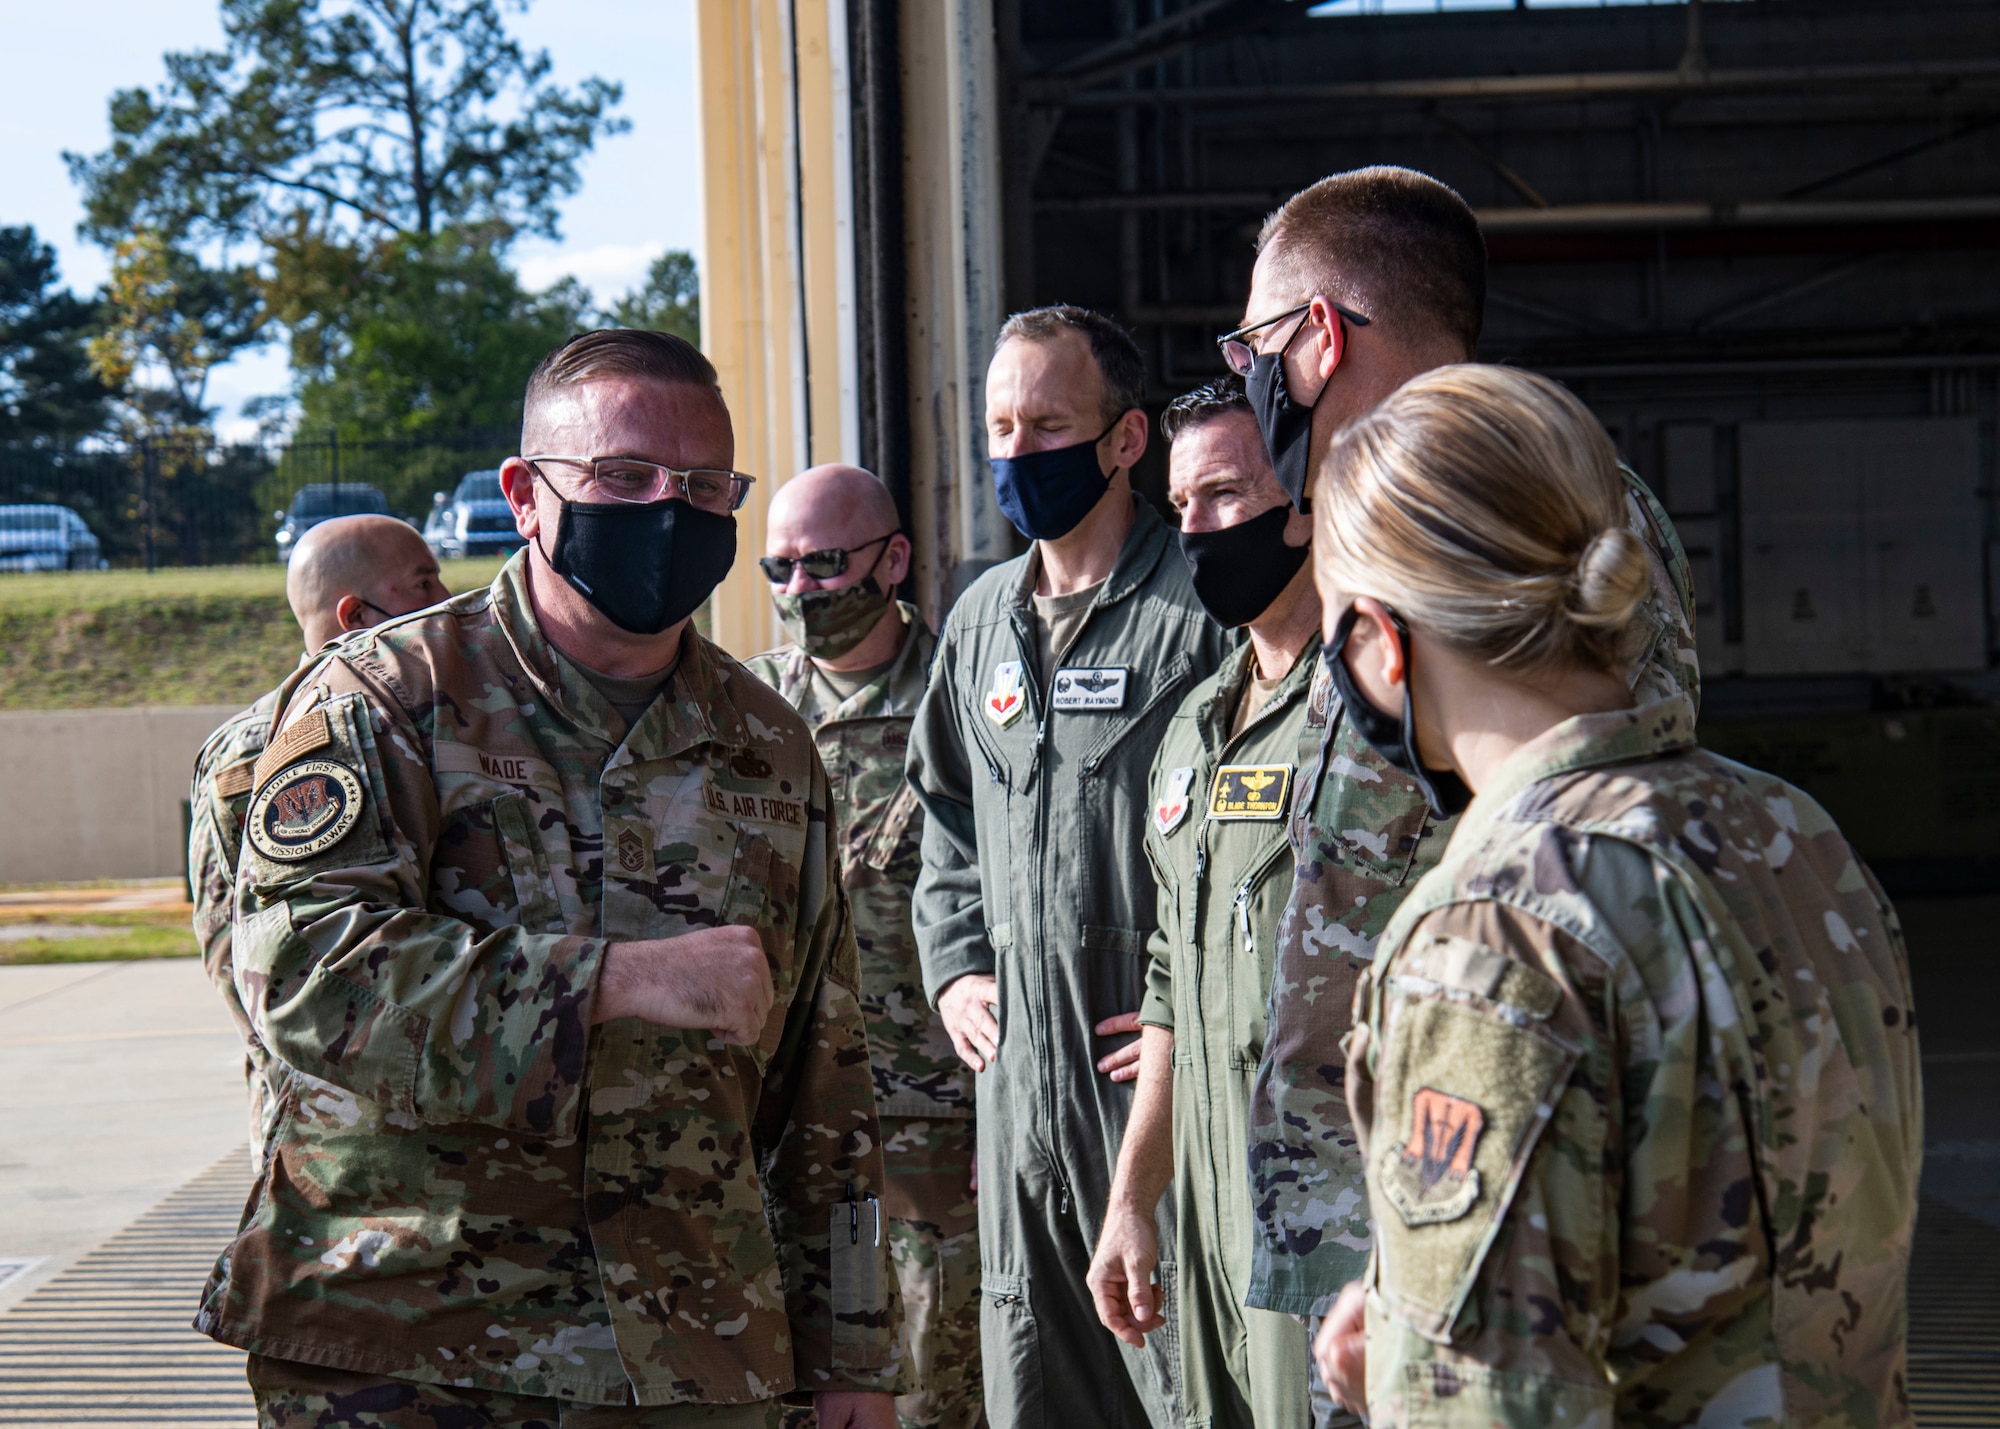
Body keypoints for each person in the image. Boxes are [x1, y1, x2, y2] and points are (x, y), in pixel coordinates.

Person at [194, 329, 901, 1429]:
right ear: (524, 495)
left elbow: (827, 1082)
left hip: (693, 1355)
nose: (668, 511)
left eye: (703, 486)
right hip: (414, 1351)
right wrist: (610, 981)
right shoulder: (385, 700)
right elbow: (301, 972)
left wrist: (852, 1346)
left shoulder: (767, 743)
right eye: (622, 478)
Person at [1305, 364, 1920, 1427]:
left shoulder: (1494, 928)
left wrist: (1406, 1380)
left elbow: (1490, 1407)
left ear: (1382, 637)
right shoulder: (1791, 834)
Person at [1225, 168, 1702, 1424]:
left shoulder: (1548, 510)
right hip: (1372, 1197)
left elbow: (1595, 850)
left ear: (1316, 337)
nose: (1245, 379)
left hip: (1481, 1207)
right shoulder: (1367, 521)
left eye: (1254, 344)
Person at [906, 305, 1233, 1429]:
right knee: (1035, 1382)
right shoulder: (979, 620)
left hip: (1148, 1087)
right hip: (1019, 1094)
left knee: (1184, 1369)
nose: (1017, 450)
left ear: (1125, 439)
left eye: (1047, 422)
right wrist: (951, 963)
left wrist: (1198, 1008)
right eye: (1000, 424)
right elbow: (943, 810)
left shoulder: (1200, 611)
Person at [1086, 377, 1316, 1429]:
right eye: (1179, 506)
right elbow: (1174, 982)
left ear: (1304, 498)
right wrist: (1134, 1200)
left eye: (1223, 495)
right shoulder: (1192, 728)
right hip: (1213, 1237)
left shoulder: (1384, 717)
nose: (1196, 530)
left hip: (1332, 1244)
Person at [745, 464, 984, 1429]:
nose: (800, 589)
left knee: (941, 1383)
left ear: (894, 559)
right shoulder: (743, 713)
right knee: (831, 1378)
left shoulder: (967, 701)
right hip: (806, 1137)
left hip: (938, 1134)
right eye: (780, 566)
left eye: (824, 564)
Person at [188, 513, 448, 1153]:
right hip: (328, 1131)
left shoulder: (433, 714)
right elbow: (237, 952)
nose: (446, 602)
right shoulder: (257, 750)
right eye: (423, 584)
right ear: (357, 615)